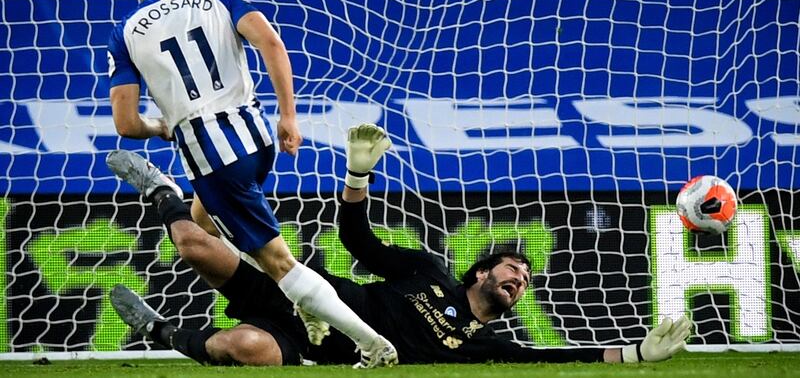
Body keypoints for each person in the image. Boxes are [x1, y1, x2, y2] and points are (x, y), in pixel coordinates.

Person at [110, 124, 691, 366]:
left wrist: (635, 354)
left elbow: (553, 359)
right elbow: (356, 237)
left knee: (248, 348)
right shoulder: (428, 272)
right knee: (191, 243)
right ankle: (161, 188)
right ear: (480, 272)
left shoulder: (479, 345)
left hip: (302, 342)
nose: (520, 279)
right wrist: (358, 178)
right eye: (512, 269)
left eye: (526, 280)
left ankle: (156, 332)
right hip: (306, 295)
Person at [105, 0, 396, 367]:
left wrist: (161, 127)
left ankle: (373, 345)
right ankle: (301, 301)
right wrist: (289, 117)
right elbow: (272, 44)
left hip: (214, 156)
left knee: (277, 260)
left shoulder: (126, 33)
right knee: (203, 226)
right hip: (257, 137)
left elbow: (126, 124)